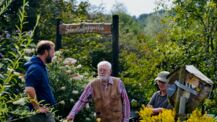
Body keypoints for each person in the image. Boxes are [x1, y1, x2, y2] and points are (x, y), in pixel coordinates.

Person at [66, 61, 130, 122]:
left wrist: (126, 120)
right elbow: (82, 101)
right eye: (100, 70)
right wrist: (72, 113)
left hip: (117, 120)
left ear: (110, 71)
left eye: (104, 70)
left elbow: (126, 102)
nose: (102, 72)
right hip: (101, 120)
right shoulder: (92, 84)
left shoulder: (118, 83)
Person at [24, 40, 56, 122]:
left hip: (46, 112)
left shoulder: (41, 67)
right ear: (46, 52)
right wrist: (37, 108)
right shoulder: (35, 68)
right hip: (40, 115)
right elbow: (29, 89)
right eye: (52, 51)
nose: (53, 54)